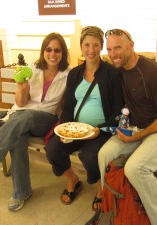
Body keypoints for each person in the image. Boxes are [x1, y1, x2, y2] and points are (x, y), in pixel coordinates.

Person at [0, 32, 71, 211]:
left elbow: (66, 106)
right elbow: (21, 103)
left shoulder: (68, 75)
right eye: (48, 49)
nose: (53, 54)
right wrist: (22, 89)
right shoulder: (32, 68)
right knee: (18, 138)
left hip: (44, 119)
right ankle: (21, 193)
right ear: (43, 51)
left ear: (63, 53)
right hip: (20, 115)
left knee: (27, 117)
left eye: (57, 50)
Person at [98, 29, 157, 225]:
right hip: (136, 129)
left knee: (135, 168)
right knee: (104, 154)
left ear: (131, 45)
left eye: (118, 47)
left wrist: (139, 135)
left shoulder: (152, 72)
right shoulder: (120, 71)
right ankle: (112, 210)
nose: (112, 54)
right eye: (109, 49)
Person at [45, 26, 124, 210]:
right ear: (81, 46)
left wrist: (100, 129)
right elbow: (69, 106)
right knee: (53, 148)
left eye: (95, 45)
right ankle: (73, 179)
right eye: (87, 45)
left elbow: (118, 110)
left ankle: (100, 189)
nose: (91, 50)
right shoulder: (74, 74)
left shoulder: (112, 74)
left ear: (101, 47)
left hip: (100, 131)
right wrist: (64, 129)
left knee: (90, 156)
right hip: (76, 129)